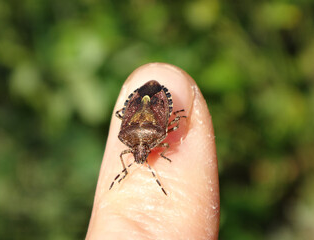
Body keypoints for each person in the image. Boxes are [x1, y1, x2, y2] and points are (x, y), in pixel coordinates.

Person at [86, 63, 220, 240]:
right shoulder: (153, 139)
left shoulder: (132, 139)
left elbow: (163, 146)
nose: (140, 157)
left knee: (160, 127)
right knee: (170, 124)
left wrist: (157, 156)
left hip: (148, 116)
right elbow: (164, 141)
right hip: (151, 110)